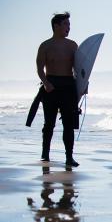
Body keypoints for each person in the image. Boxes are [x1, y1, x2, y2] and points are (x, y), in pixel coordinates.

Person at [34, 12, 79, 167]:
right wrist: (46, 83)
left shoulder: (72, 45)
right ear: (56, 26)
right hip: (51, 86)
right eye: (65, 24)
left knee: (68, 123)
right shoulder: (45, 45)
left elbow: (79, 69)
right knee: (49, 123)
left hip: (68, 86)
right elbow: (39, 69)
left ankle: (69, 157)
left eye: (69, 24)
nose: (69, 27)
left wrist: (83, 85)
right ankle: (45, 155)